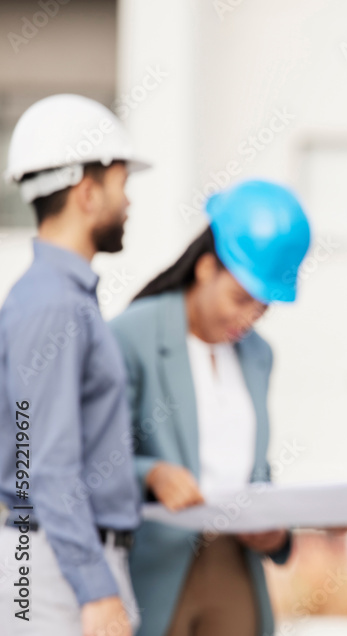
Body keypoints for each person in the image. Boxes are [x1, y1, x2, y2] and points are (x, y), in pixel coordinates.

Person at [109, 180, 311, 636]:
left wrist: (276, 531)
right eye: (241, 299)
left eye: (263, 308)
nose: (248, 320)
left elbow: (254, 468)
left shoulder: (258, 354)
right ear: (205, 268)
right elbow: (91, 457)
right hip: (154, 559)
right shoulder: (130, 335)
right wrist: (152, 475)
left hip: (234, 562)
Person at [0, 94, 150, 636]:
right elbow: (44, 462)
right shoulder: (54, 305)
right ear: (87, 192)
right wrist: (96, 588)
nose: (129, 202)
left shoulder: (58, 298)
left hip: (52, 558)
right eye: (121, 186)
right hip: (58, 570)